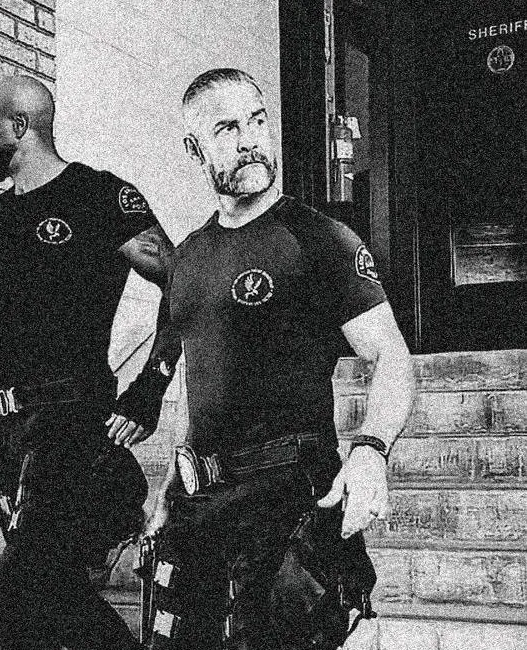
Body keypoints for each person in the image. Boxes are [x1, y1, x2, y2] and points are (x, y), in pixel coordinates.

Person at [132, 69, 415, 650]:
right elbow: (197, 381)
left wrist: (370, 450)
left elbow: (391, 356)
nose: (250, 140)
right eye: (228, 129)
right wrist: (171, 481)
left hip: (287, 500)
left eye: (258, 122)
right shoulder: (188, 258)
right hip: (200, 508)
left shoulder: (320, 240)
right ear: (195, 150)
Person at [0, 75, 175, 650]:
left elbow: (182, 285)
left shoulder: (100, 195)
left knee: (18, 587)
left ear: (18, 126)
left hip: (74, 429)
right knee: (52, 598)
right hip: (13, 438)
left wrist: (151, 386)